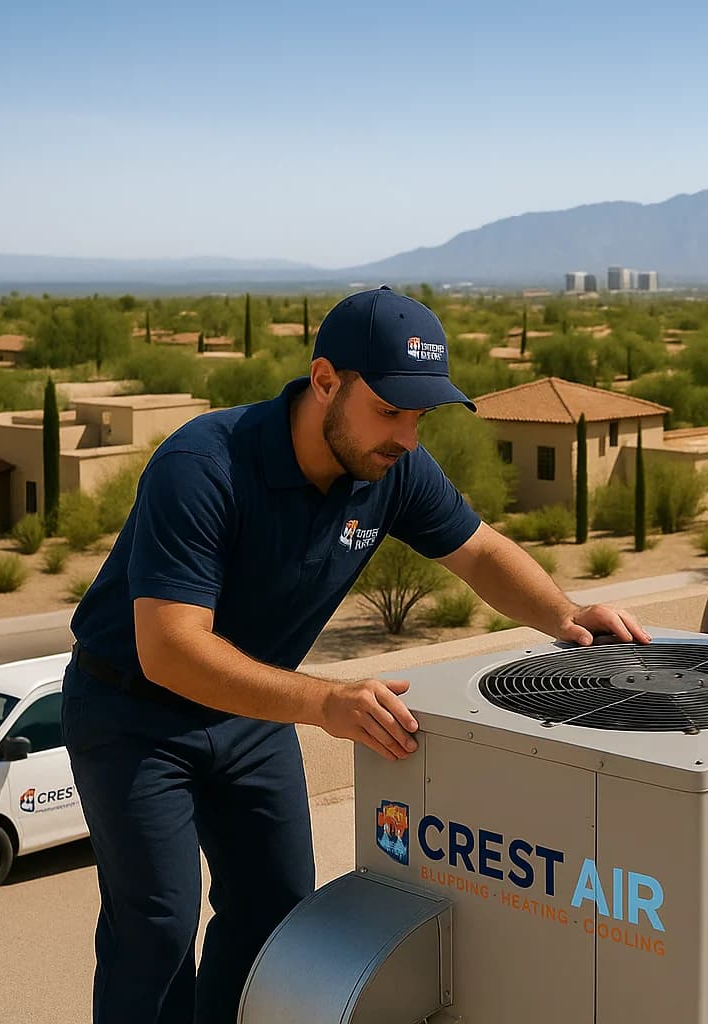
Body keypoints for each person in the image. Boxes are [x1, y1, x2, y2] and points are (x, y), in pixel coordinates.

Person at [62, 285, 651, 1024]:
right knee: (156, 928)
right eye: (389, 410)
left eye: (419, 417)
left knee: (277, 912)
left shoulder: (393, 467)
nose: (407, 437)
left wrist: (565, 614)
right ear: (324, 381)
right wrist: (324, 703)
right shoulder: (203, 464)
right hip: (135, 715)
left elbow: (480, 553)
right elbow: (170, 649)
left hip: (250, 715)